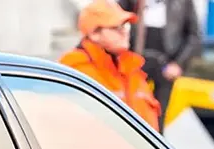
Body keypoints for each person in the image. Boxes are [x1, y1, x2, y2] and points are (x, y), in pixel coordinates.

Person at [60, 0, 161, 131]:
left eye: (125, 26)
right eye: (116, 27)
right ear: (94, 34)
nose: (124, 32)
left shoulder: (132, 70)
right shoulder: (76, 72)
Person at [120, 0, 201, 132]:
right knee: (130, 112)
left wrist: (178, 64)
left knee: (158, 117)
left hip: (166, 64)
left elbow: (194, 36)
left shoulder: (183, 3)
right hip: (135, 61)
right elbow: (116, 18)